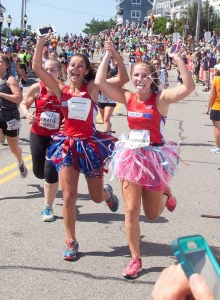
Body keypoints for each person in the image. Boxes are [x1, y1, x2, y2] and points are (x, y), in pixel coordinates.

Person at [95, 48, 195, 278]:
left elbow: (188, 88)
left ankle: (165, 196)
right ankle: (135, 259)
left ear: (152, 78)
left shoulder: (160, 99)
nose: (139, 80)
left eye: (144, 75)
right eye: (136, 75)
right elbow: (100, 81)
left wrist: (178, 59)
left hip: (153, 159)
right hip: (131, 157)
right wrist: (108, 54)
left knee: (151, 215)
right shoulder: (128, 97)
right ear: (132, 78)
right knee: (131, 211)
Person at [32, 32, 129, 260]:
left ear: (86, 70)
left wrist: (113, 53)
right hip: (67, 144)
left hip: (89, 145)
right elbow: (37, 68)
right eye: (72, 65)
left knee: (95, 197)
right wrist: (40, 42)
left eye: (80, 66)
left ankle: (106, 195)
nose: (75, 68)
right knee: (68, 196)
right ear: (68, 68)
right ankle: (71, 241)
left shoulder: (93, 89)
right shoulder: (60, 89)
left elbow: (123, 79)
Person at [20, 58, 64, 222]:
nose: (48, 73)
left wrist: (68, 122)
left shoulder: (64, 89)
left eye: (52, 70)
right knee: (39, 172)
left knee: (50, 171)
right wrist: (27, 113)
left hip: (57, 137)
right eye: (45, 69)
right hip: (38, 133)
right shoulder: (37, 87)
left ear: (59, 72)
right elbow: (24, 103)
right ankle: (48, 181)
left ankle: (48, 206)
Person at [0, 53, 28, 177]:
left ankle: (20, 162)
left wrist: (1, 94)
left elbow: (19, 98)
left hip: (10, 118)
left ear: (6, 65)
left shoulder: (10, 79)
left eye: (0, 61)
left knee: (14, 149)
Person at [206, 64, 220, 154]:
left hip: (216, 106)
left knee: (217, 128)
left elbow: (211, 96)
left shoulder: (216, 80)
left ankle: (218, 147)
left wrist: (208, 108)